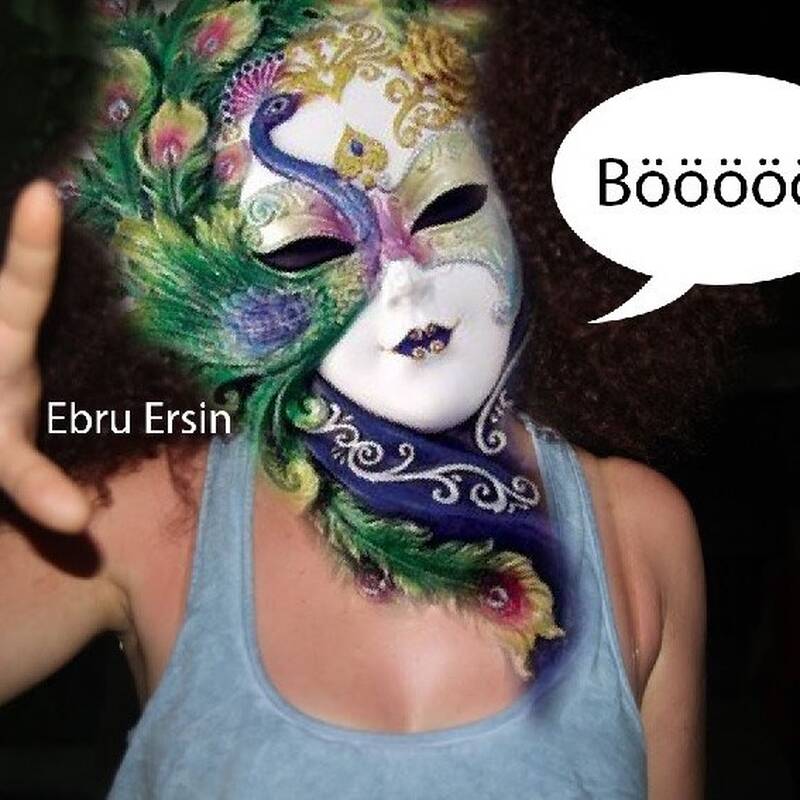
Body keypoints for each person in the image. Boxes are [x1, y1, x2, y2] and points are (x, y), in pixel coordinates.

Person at [0, 1, 716, 797]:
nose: (402, 275)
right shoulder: (157, 515)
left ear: (525, 196)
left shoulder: (638, 532)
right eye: (311, 245)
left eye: (448, 204)